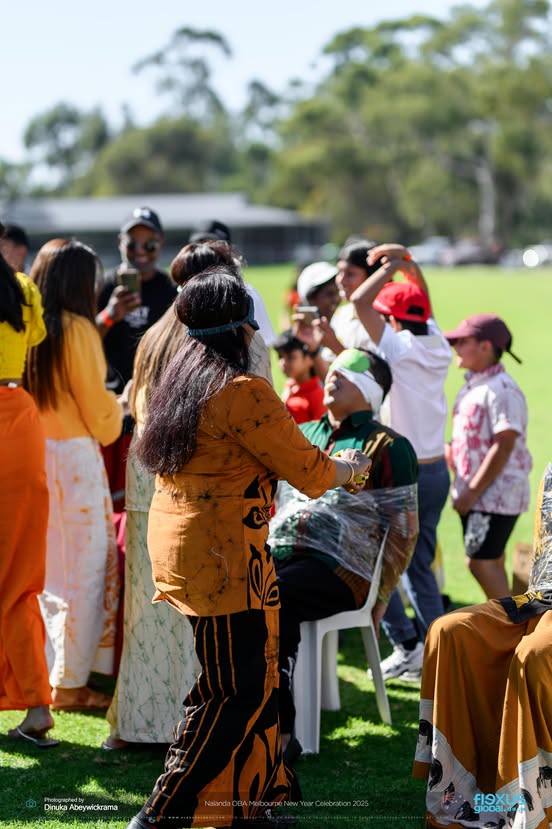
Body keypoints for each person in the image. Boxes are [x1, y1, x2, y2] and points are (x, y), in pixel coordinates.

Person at [125, 268, 370, 829]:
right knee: (232, 691)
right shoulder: (242, 391)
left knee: (246, 680)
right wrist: (350, 471)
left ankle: (253, 798)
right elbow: (308, 470)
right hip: (223, 558)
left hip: (199, 549)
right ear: (242, 328)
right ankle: (162, 812)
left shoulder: (182, 379)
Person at [104, 241, 257, 750]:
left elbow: (133, 404)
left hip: (150, 479)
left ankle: (134, 727)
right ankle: (195, 731)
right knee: (204, 613)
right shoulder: (232, 335)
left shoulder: (153, 335)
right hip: (206, 488)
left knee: (148, 611)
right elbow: (258, 412)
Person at [268, 347, 419, 758]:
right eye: (331, 368)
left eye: (348, 371)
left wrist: (381, 596)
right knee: (247, 586)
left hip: (343, 572)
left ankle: (280, 733)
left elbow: (404, 531)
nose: (332, 374)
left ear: (372, 388)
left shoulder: (390, 445)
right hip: (283, 555)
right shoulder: (301, 433)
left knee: (273, 597)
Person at [413, 464, 552, 829]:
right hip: (542, 600)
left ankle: (536, 805)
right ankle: (466, 792)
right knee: (448, 630)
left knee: (534, 655)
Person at [26, 239, 123, 711]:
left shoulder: (26, 325)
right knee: (86, 572)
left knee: (48, 574)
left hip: (34, 455)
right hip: (74, 459)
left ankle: (47, 674)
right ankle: (70, 686)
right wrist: (120, 410)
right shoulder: (78, 329)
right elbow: (97, 409)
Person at [349, 243, 452, 681]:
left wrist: (392, 266)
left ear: (390, 319)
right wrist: (408, 266)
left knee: (377, 566)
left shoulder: (398, 348)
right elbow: (421, 305)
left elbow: (357, 302)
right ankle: (436, 654)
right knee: (418, 568)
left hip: (404, 473)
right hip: (437, 472)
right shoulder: (439, 342)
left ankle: (415, 649)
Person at [0, 230, 57, 748]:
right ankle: (37, 706)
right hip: (19, 420)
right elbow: (35, 336)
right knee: (19, 577)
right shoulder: (21, 287)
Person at [443, 313, 532, 598]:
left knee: (479, 562)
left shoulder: (501, 390)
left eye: (463, 341)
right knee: (491, 559)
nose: (456, 346)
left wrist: (470, 491)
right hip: (481, 494)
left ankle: (510, 631)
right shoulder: (477, 385)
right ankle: (512, 628)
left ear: (485, 346)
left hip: (493, 496)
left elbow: (504, 445)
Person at [293, 240, 381, 381]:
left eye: (350, 274)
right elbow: (330, 382)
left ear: (372, 275)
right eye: (340, 272)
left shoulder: (386, 317)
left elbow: (377, 380)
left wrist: (335, 346)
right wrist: (314, 348)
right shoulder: (342, 315)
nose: (341, 281)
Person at [188, 217, 277, 346]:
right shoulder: (178, 291)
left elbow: (263, 344)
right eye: (199, 245)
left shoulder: (246, 293)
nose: (205, 253)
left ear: (229, 252)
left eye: (214, 247)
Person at [273, 328, 326, 424]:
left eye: (291, 357)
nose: (283, 363)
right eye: (280, 357)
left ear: (309, 358)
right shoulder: (290, 386)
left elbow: (320, 434)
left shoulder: (317, 395)